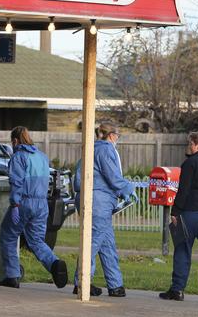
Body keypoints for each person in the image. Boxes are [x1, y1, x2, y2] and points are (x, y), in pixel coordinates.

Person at [0, 126, 68, 289]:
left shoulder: (18, 157)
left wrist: (15, 204)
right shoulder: (42, 156)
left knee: (8, 235)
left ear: (15, 141)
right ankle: (54, 264)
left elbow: (17, 182)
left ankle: (12, 276)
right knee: (36, 240)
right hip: (42, 204)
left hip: (24, 202)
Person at [72, 122, 137, 297]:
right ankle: (82, 282)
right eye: (118, 136)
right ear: (111, 135)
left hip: (91, 198)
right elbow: (113, 177)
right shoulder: (106, 149)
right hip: (98, 201)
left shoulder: (90, 149)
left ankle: (115, 285)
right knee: (92, 242)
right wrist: (128, 189)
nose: (118, 139)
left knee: (107, 244)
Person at [159, 131, 198, 304]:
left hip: (191, 212)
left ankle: (177, 290)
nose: (189, 145)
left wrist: (175, 212)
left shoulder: (190, 163)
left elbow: (183, 190)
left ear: (196, 144)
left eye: (190, 143)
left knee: (182, 248)